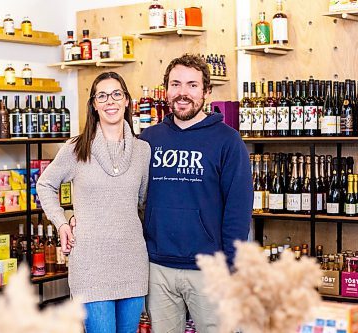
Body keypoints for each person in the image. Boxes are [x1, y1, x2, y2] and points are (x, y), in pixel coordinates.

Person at [138, 54, 253, 332]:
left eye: (192, 85)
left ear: (206, 92)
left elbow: (238, 208)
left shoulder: (227, 140)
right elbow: (133, 197)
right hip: (158, 267)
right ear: (166, 90)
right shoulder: (148, 139)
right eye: (176, 84)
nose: (183, 93)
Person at [36, 72, 151, 333]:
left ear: (127, 101)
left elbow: (143, 202)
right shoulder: (76, 149)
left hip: (132, 261)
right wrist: (62, 224)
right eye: (102, 95)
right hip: (91, 264)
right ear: (94, 105)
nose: (110, 101)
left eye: (116, 94)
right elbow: (45, 184)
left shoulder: (143, 151)